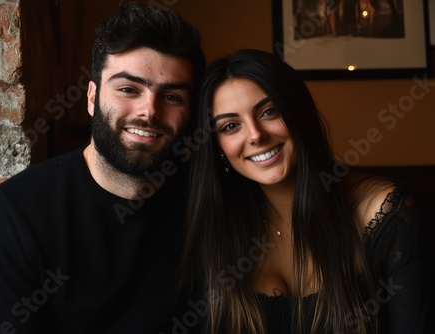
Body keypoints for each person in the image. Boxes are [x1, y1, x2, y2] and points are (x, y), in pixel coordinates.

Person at [0, 2, 205, 333]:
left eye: (172, 97)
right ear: (92, 98)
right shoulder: (17, 212)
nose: (149, 111)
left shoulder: (206, 201)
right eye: (128, 89)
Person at [181, 49, 431, 333]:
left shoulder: (388, 213)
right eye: (230, 126)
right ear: (218, 148)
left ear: (297, 112)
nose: (255, 135)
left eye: (269, 111)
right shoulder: (214, 227)